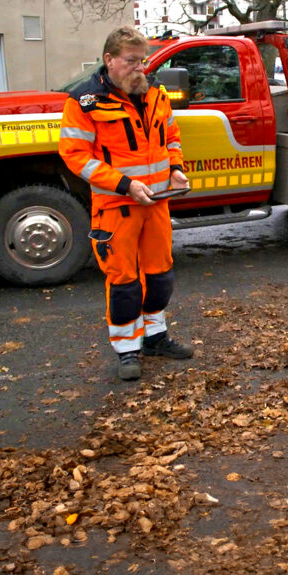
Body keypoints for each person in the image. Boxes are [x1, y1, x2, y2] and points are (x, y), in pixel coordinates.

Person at [59, 26, 193, 380]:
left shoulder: (156, 95)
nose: (140, 68)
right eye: (131, 61)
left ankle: (155, 337)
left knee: (160, 277)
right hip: (116, 207)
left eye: (143, 61)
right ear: (110, 60)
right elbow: (76, 157)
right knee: (124, 284)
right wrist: (123, 184)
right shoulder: (85, 102)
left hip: (156, 203)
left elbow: (172, 137)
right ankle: (126, 350)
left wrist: (176, 170)